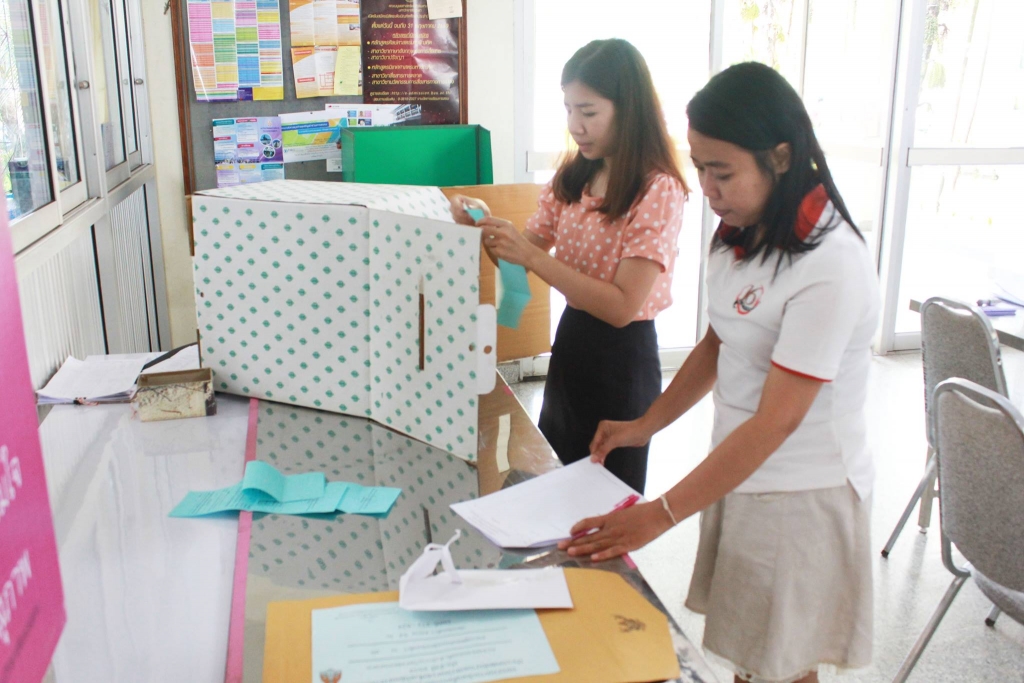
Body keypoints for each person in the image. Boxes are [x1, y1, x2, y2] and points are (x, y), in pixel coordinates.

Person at [559, 62, 880, 683]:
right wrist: (645, 424)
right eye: (701, 167)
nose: (707, 188)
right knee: (755, 659)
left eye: (722, 172)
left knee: (783, 665)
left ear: (780, 157)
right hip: (742, 470)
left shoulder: (831, 262)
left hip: (801, 493)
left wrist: (660, 513)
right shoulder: (742, 229)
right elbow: (718, 341)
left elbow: (777, 421)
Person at [449, 38, 688, 494]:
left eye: (588, 111)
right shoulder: (575, 175)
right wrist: (483, 226)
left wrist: (533, 257)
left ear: (629, 109)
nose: (575, 125)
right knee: (553, 483)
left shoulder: (658, 189)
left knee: (604, 499)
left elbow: (622, 307)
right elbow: (518, 263)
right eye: (568, 109)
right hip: (572, 347)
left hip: (623, 361)